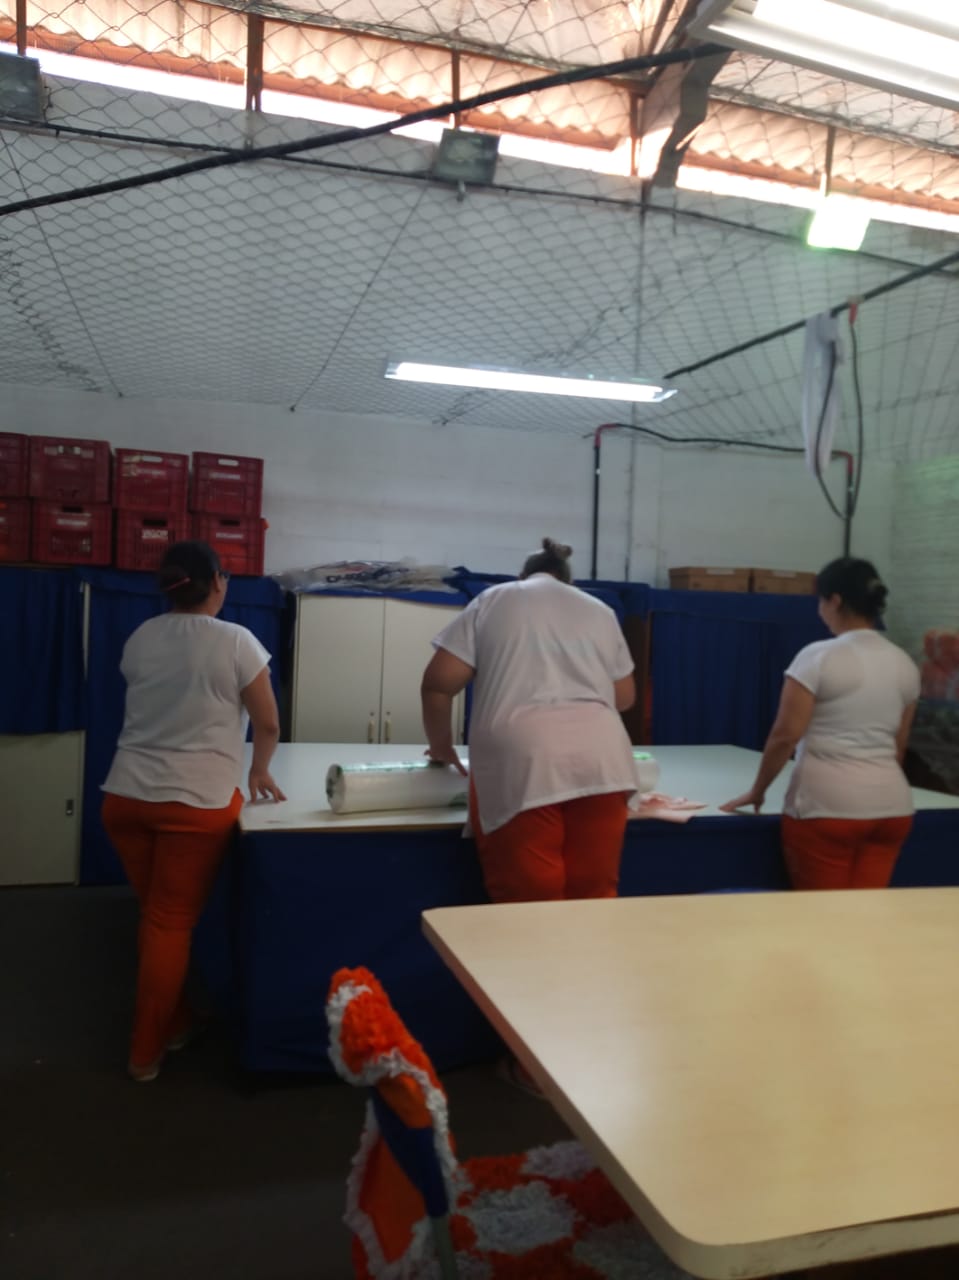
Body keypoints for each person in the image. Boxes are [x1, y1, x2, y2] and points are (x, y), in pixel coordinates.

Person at [101, 540, 285, 1082]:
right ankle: (145, 1051)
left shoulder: (141, 637)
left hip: (125, 797)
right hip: (194, 803)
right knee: (170, 923)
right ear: (218, 582)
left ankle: (177, 1021)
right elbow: (268, 722)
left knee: (156, 917)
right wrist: (258, 769)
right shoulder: (236, 640)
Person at [421, 537, 637, 905]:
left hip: (523, 760)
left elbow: (438, 685)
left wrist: (441, 747)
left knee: (530, 902)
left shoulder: (493, 599)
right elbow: (625, 698)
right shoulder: (600, 610)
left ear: (522, 576)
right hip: (604, 761)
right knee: (594, 896)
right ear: (568, 581)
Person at [721, 556, 919, 890]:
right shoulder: (905, 664)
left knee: (822, 916)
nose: (819, 610)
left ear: (835, 601)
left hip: (827, 808)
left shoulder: (818, 656)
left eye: (820, 601)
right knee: (867, 913)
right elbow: (898, 748)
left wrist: (758, 791)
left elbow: (785, 736)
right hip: (892, 809)